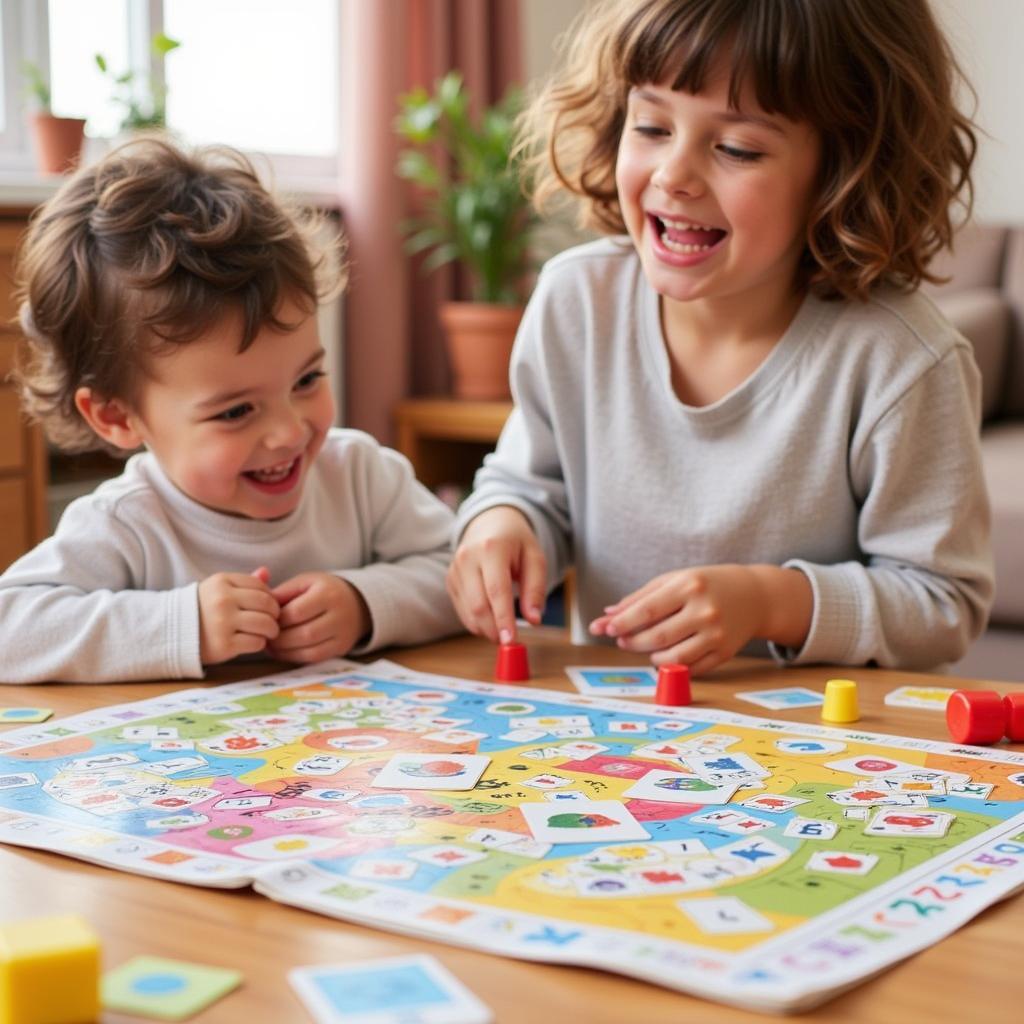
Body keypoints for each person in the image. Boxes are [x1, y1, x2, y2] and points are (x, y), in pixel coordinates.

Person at [448, 0, 993, 676]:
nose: (674, 174)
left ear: (844, 171)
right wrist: (502, 525)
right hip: (612, 737)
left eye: (737, 147)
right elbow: (532, 485)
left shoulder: (902, 359)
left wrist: (769, 601)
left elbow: (942, 604)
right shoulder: (576, 301)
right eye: (650, 126)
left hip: (818, 756)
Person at [1, 137, 461, 684]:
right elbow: (12, 629)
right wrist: (182, 624)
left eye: (307, 379)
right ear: (117, 417)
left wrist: (365, 603)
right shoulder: (128, 523)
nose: (289, 432)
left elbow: (465, 575)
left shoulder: (360, 476)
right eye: (236, 411)